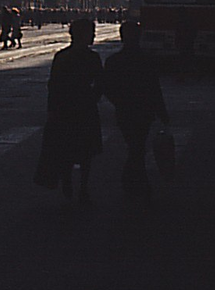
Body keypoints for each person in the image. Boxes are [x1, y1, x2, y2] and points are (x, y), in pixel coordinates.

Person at [101, 21, 169, 202]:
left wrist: (118, 102)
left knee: (135, 145)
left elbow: (106, 87)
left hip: (125, 110)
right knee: (137, 146)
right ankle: (136, 180)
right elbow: (154, 88)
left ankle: (134, 180)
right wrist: (162, 112)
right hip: (144, 110)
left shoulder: (114, 61)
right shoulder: (147, 59)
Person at [44, 18, 103, 202]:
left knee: (66, 148)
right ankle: (83, 187)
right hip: (85, 107)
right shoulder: (92, 57)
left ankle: (67, 181)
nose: (93, 36)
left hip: (65, 108)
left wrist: (52, 109)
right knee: (86, 151)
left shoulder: (61, 56)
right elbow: (100, 83)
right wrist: (93, 98)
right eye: (91, 33)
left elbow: (53, 85)